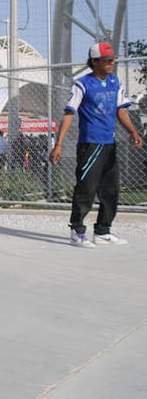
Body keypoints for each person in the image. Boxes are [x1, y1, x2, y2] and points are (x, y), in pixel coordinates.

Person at [49, 42, 143, 248]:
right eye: (107, 60)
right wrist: (59, 144)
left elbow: (121, 111)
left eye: (112, 60)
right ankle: (76, 231)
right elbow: (68, 113)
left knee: (111, 190)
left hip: (110, 144)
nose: (111, 63)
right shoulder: (82, 84)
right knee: (87, 188)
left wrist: (133, 131)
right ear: (94, 62)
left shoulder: (115, 82)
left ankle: (102, 231)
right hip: (90, 145)